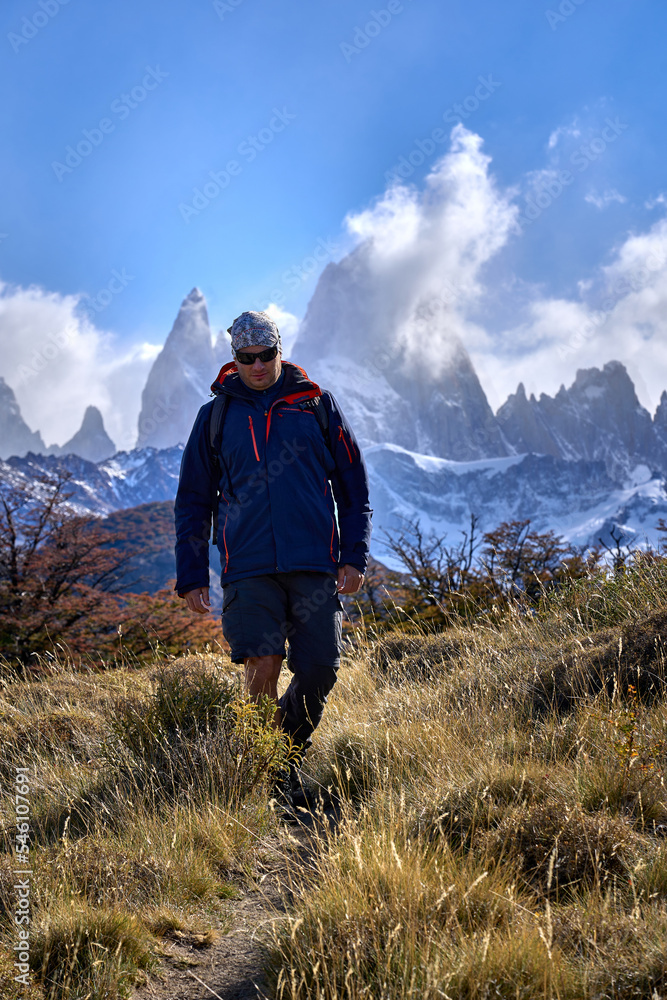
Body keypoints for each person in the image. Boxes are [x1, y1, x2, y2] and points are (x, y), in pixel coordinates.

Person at [174, 310, 372, 810]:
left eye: (266, 356)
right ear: (234, 358)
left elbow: (353, 487)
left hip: (314, 564)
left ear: (279, 351)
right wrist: (192, 573)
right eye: (247, 358)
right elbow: (194, 500)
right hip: (248, 566)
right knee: (263, 662)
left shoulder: (316, 405)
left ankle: (280, 755)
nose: (258, 366)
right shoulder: (215, 417)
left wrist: (354, 555)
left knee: (320, 668)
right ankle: (267, 783)